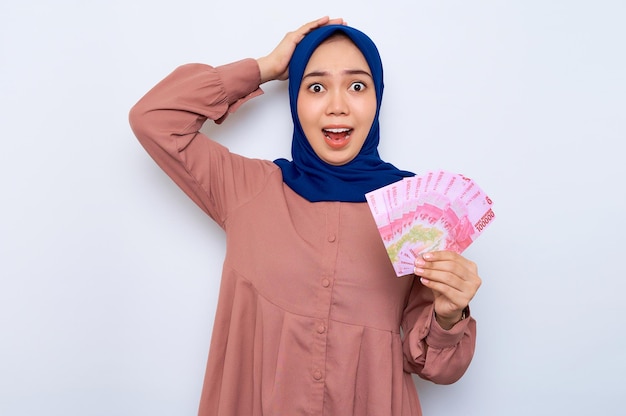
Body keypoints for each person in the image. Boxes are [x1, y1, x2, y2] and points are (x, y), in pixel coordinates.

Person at [129, 16, 482, 416]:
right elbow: (154, 119)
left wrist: (449, 315)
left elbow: (436, 367)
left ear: (377, 98)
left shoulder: (413, 208)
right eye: (315, 86)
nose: (337, 106)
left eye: (357, 86)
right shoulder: (248, 188)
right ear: (294, 97)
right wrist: (264, 66)